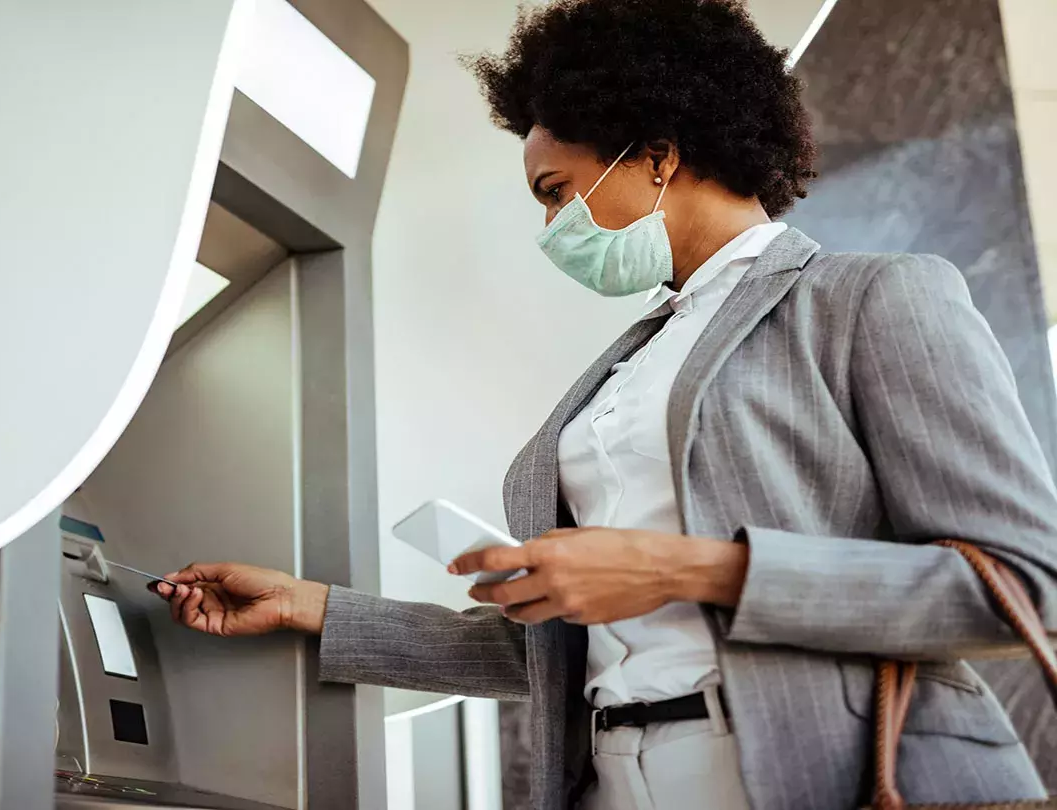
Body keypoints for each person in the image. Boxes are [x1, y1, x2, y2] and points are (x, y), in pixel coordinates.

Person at [151, 1, 1057, 807]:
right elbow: (549, 652)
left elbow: (1026, 589)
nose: (553, 228)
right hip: (613, 772)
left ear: (659, 156)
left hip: (832, 772)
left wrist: (686, 570)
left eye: (556, 192)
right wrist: (314, 608)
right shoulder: (632, 360)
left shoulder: (873, 298)